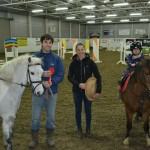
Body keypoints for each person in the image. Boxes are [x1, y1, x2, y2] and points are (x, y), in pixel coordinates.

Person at [29, 34, 65, 148]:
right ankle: (34, 138)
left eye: (50, 42)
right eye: (45, 42)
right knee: (35, 118)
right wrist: (41, 76)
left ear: (52, 44)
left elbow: (60, 74)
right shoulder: (34, 57)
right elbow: (30, 74)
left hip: (51, 92)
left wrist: (52, 82)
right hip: (37, 93)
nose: (48, 44)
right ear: (41, 43)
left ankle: (50, 137)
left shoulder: (57, 58)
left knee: (51, 117)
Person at [67, 43, 102, 138]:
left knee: (88, 110)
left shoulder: (90, 62)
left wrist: (98, 91)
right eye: (78, 50)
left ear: (84, 50)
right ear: (76, 51)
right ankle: (79, 129)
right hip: (77, 91)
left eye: (82, 49)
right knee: (78, 110)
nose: (80, 51)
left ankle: (88, 129)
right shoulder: (73, 63)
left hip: (89, 92)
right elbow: (69, 77)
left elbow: (98, 76)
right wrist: (78, 84)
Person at [118, 42, 144, 119]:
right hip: (130, 70)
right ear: (132, 50)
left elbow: (143, 63)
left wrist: (138, 65)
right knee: (123, 77)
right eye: (134, 50)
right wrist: (132, 64)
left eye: (137, 49)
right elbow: (128, 62)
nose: (136, 51)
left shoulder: (142, 57)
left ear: (140, 50)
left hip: (139, 71)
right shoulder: (129, 56)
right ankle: (121, 89)